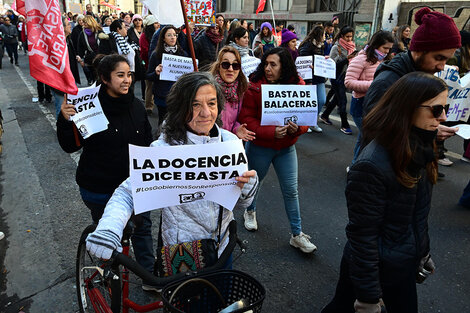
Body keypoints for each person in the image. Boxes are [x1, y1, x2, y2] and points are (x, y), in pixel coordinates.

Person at [83, 72, 258, 273]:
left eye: (211, 103)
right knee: (188, 304)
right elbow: (127, 193)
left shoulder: (229, 142)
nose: (205, 113)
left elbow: (241, 202)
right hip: (182, 253)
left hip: (223, 249)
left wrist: (248, 187)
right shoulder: (164, 149)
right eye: (195, 105)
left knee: (221, 301)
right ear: (181, 108)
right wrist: (109, 228)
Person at [321, 72, 447, 313]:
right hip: (375, 270)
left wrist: (422, 251)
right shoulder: (372, 165)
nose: (443, 116)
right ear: (408, 107)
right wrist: (368, 296)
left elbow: (416, 213)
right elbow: (362, 236)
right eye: (436, 109)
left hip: (402, 265)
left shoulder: (421, 147)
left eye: (445, 107)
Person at [56, 54, 155, 277]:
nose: (127, 80)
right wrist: (64, 119)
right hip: (99, 189)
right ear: (104, 78)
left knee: (142, 229)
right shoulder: (86, 106)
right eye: (120, 75)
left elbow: (148, 143)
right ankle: (110, 278)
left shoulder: (137, 107)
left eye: (129, 74)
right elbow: (70, 146)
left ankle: (149, 275)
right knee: (109, 237)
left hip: (135, 187)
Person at [238, 47, 317, 253]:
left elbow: (306, 118)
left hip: (286, 148)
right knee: (255, 183)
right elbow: (246, 119)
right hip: (260, 147)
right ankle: (250, 211)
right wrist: (271, 132)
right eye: (266, 64)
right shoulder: (254, 86)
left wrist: (296, 129)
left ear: (285, 67)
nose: (268, 68)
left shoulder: (298, 85)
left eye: (273, 64)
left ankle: (297, 234)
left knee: (291, 190)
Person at [362, 7, 461, 142]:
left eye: (446, 60)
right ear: (419, 50)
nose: (442, 67)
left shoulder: (422, 72)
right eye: (438, 58)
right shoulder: (388, 81)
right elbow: (375, 128)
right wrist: (428, 133)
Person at [345, 30, 394, 163]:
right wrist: (375, 85)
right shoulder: (361, 59)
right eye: (385, 48)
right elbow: (348, 82)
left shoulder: (383, 60)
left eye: (389, 49)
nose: (387, 52)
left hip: (376, 104)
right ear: (376, 45)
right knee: (368, 137)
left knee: (364, 137)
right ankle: (358, 165)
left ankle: (357, 165)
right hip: (361, 104)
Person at [210, 46, 255, 141]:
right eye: (226, 64)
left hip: (231, 145)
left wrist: (237, 129)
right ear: (219, 66)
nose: (230, 69)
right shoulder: (208, 89)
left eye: (235, 65)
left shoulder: (243, 90)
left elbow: (237, 120)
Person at [146, 25, 187, 124]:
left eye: (174, 35)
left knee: (177, 122)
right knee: (163, 123)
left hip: (178, 96)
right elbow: (148, 76)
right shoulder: (156, 54)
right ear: (163, 38)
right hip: (162, 96)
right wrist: (156, 73)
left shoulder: (182, 54)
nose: (173, 37)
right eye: (169, 35)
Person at [320, 26, 356, 135]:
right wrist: (347, 58)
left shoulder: (352, 46)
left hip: (346, 76)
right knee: (342, 101)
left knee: (337, 98)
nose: (349, 39)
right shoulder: (336, 47)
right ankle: (345, 124)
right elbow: (332, 65)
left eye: (351, 36)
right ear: (342, 36)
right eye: (347, 37)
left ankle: (325, 115)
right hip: (336, 77)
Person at [298, 25, 327, 133]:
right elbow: (304, 60)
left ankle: (312, 122)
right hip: (310, 78)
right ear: (319, 35)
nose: (325, 37)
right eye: (323, 34)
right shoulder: (307, 46)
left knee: (321, 100)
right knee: (309, 102)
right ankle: (305, 122)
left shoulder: (321, 46)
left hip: (319, 77)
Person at [51, 17, 81, 119]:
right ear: (62, 27)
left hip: (71, 79)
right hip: (60, 83)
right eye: (68, 24)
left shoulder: (68, 39)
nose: (70, 26)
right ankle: (62, 130)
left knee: (71, 106)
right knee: (62, 108)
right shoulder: (56, 44)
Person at [448, 30, 470, 163]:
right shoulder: (455, 56)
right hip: (454, 96)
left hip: (462, 97)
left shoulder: (464, 56)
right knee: (446, 123)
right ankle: (438, 151)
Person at [77, 15, 105, 85]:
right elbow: (80, 47)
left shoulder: (99, 31)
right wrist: (80, 59)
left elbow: (105, 44)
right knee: (92, 80)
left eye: (85, 22)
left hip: (100, 58)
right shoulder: (82, 33)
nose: (83, 24)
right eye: (83, 22)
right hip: (89, 58)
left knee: (100, 78)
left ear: (90, 22)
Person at [140, 15, 159, 115]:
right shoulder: (144, 36)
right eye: (155, 23)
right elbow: (144, 51)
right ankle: (149, 106)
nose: (157, 24)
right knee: (149, 86)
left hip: (159, 64)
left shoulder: (158, 34)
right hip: (148, 65)